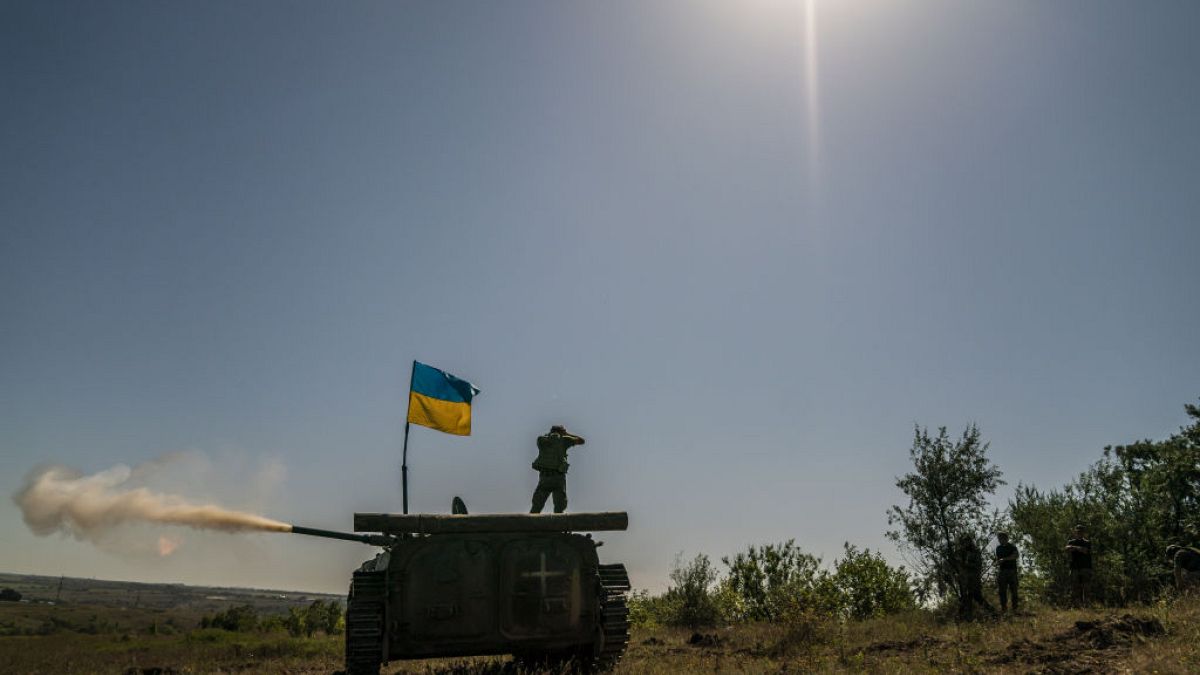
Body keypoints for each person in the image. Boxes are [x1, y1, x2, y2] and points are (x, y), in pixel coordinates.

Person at [529, 425, 586, 514]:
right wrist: (567, 434)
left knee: (536, 507)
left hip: (544, 478)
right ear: (562, 432)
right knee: (559, 508)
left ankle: (529, 526)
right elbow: (582, 441)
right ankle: (559, 526)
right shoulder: (565, 440)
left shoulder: (541, 440)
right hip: (558, 478)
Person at [956, 533, 995, 620]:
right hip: (965, 579)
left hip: (973, 578)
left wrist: (967, 564)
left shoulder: (975, 551)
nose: (966, 543)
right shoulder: (962, 552)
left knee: (976, 596)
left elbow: (978, 565)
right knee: (965, 598)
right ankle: (963, 617)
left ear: (970, 541)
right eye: (964, 541)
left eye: (967, 541)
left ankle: (991, 612)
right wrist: (960, 575)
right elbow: (959, 566)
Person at [1065, 524, 1093, 605]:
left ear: (1084, 533)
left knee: (1086, 587)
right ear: (1075, 532)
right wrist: (1078, 548)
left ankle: (1087, 605)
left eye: (1081, 532)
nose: (1079, 533)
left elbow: (1085, 550)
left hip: (1086, 567)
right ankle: (1077, 605)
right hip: (1074, 567)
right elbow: (1066, 549)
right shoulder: (1071, 541)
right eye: (1078, 532)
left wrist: (1074, 548)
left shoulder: (1087, 542)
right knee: (1075, 587)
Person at [994, 532, 1020, 613]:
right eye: (999, 539)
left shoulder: (1012, 547)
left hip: (1012, 571)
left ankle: (1015, 609)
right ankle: (1004, 609)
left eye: (1001, 538)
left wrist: (1004, 559)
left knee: (1014, 591)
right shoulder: (998, 548)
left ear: (1005, 538)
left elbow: (1016, 556)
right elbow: (999, 559)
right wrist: (998, 562)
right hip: (1002, 571)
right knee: (1002, 591)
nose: (999, 540)